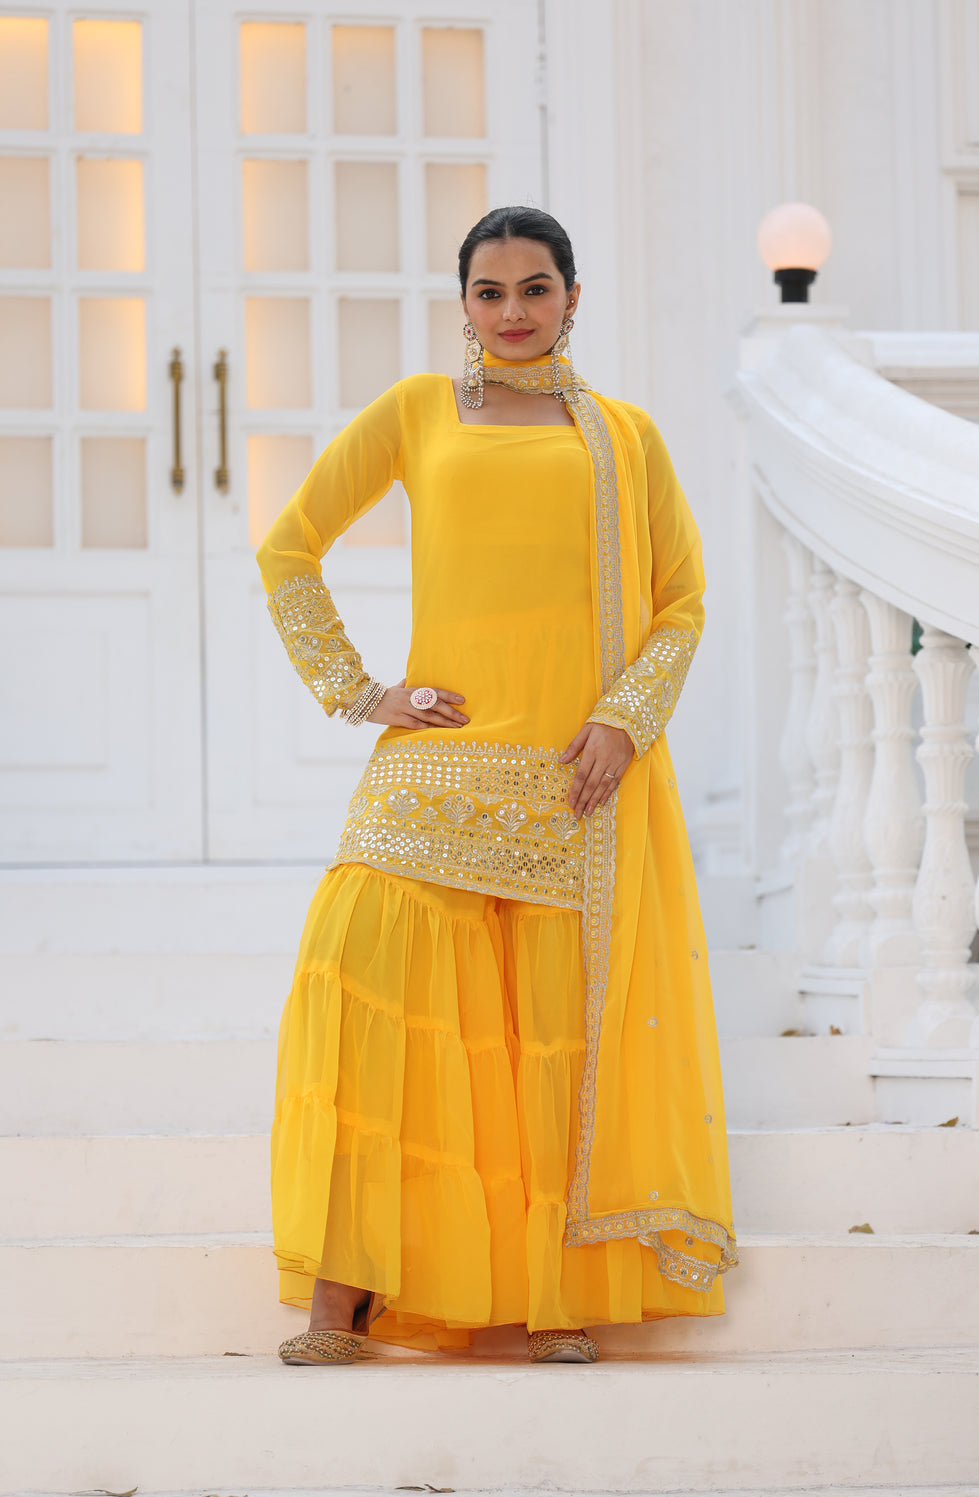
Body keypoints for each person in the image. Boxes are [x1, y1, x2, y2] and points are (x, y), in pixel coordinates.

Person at [256, 206, 738, 1367]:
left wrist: (625, 722)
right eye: (489, 291)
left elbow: (680, 601)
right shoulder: (418, 412)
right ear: (461, 303)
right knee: (368, 1004)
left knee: (542, 1039)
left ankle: (547, 1300)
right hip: (437, 762)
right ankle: (342, 1297)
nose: (512, 312)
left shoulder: (623, 436)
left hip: (568, 774)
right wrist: (361, 691)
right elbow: (289, 546)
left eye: (534, 288)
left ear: (574, 297)